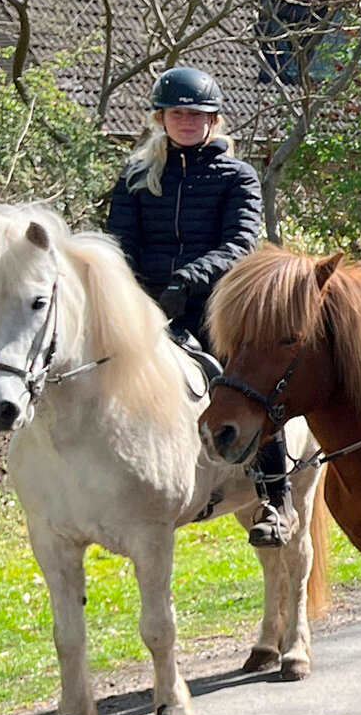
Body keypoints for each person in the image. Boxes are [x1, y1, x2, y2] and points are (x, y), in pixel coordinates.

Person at [104, 65, 293, 547]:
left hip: (216, 305)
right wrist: (134, 291)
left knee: (251, 383)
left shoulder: (237, 176)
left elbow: (239, 241)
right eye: (177, 114)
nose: (186, 121)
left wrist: (186, 282)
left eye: (197, 114)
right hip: (147, 304)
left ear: (214, 120)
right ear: (161, 119)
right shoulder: (135, 175)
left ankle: (275, 497)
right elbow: (118, 243)